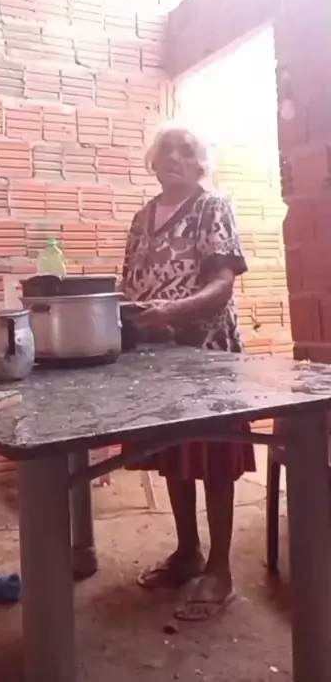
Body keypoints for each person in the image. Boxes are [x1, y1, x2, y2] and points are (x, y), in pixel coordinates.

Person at [122, 123, 255, 622]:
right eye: (167, 150)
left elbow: (223, 284)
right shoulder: (142, 218)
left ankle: (220, 569)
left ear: (200, 164)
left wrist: (172, 312)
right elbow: (130, 282)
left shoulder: (210, 207)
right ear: (153, 162)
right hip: (157, 357)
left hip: (208, 354)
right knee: (173, 454)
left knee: (214, 457)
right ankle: (187, 553)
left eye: (186, 151)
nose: (175, 157)